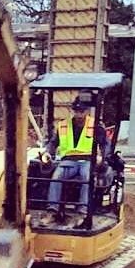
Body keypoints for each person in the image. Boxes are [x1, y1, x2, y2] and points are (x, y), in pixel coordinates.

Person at [40, 95, 109, 225]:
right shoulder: (64, 125)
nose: (79, 114)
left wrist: (102, 157)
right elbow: (53, 143)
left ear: (87, 111)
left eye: (81, 111)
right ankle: (52, 211)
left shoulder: (95, 126)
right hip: (68, 160)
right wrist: (48, 153)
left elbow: (105, 144)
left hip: (87, 160)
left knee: (87, 178)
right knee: (57, 176)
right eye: (76, 111)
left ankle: (82, 212)